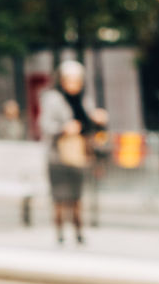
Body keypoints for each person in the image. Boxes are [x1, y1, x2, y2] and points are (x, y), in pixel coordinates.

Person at [38, 61, 108, 245]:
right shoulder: (52, 98)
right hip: (57, 156)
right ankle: (59, 233)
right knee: (60, 197)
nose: (73, 84)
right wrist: (64, 128)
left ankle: (78, 232)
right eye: (70, 80)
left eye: (77, 80)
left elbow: (91, 128)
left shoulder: (85, 100)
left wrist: (99, 120)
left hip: (78, 155)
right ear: (61, 80)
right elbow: (45, 125)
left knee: (76, 197)